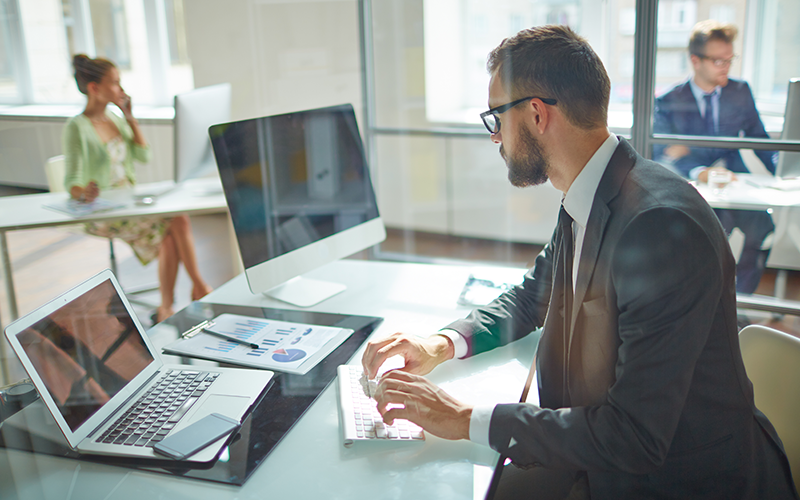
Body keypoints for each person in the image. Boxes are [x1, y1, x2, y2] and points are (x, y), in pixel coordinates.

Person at [362, 26, 797, 499]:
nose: (495, 138)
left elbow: (634, 437)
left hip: (682, 483)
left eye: (496, 119)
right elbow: (534, 295)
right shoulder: (594, 192)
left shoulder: (659, 227)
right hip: (598, 461)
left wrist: (462, 418)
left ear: (535, 114)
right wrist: (441, 344)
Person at [63, 54, 213, 322]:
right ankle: (198, 288)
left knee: (172, 230)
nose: (121, 89)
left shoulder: (115, 119)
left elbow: (144, 156)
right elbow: (70, 182)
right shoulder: (77, 127)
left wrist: (130, 118)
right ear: (94, 88)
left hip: (128, 201)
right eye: (115, 83)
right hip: (101, 211)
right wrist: (85, 192)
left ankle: (167, 307)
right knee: (177, 221)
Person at [653, 20, 775, 294]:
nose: (726, 67)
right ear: (696, 60)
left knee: (764, 230)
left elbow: (759, 138)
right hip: (694, 185)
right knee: (709, 242)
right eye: (718, 61)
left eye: (729, 60)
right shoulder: (669, 100)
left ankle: (739, 300)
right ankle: (707, 303)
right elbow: (661, 152)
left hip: (733, 180)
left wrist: (783, 168)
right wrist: (699, 170)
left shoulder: (740, 91)